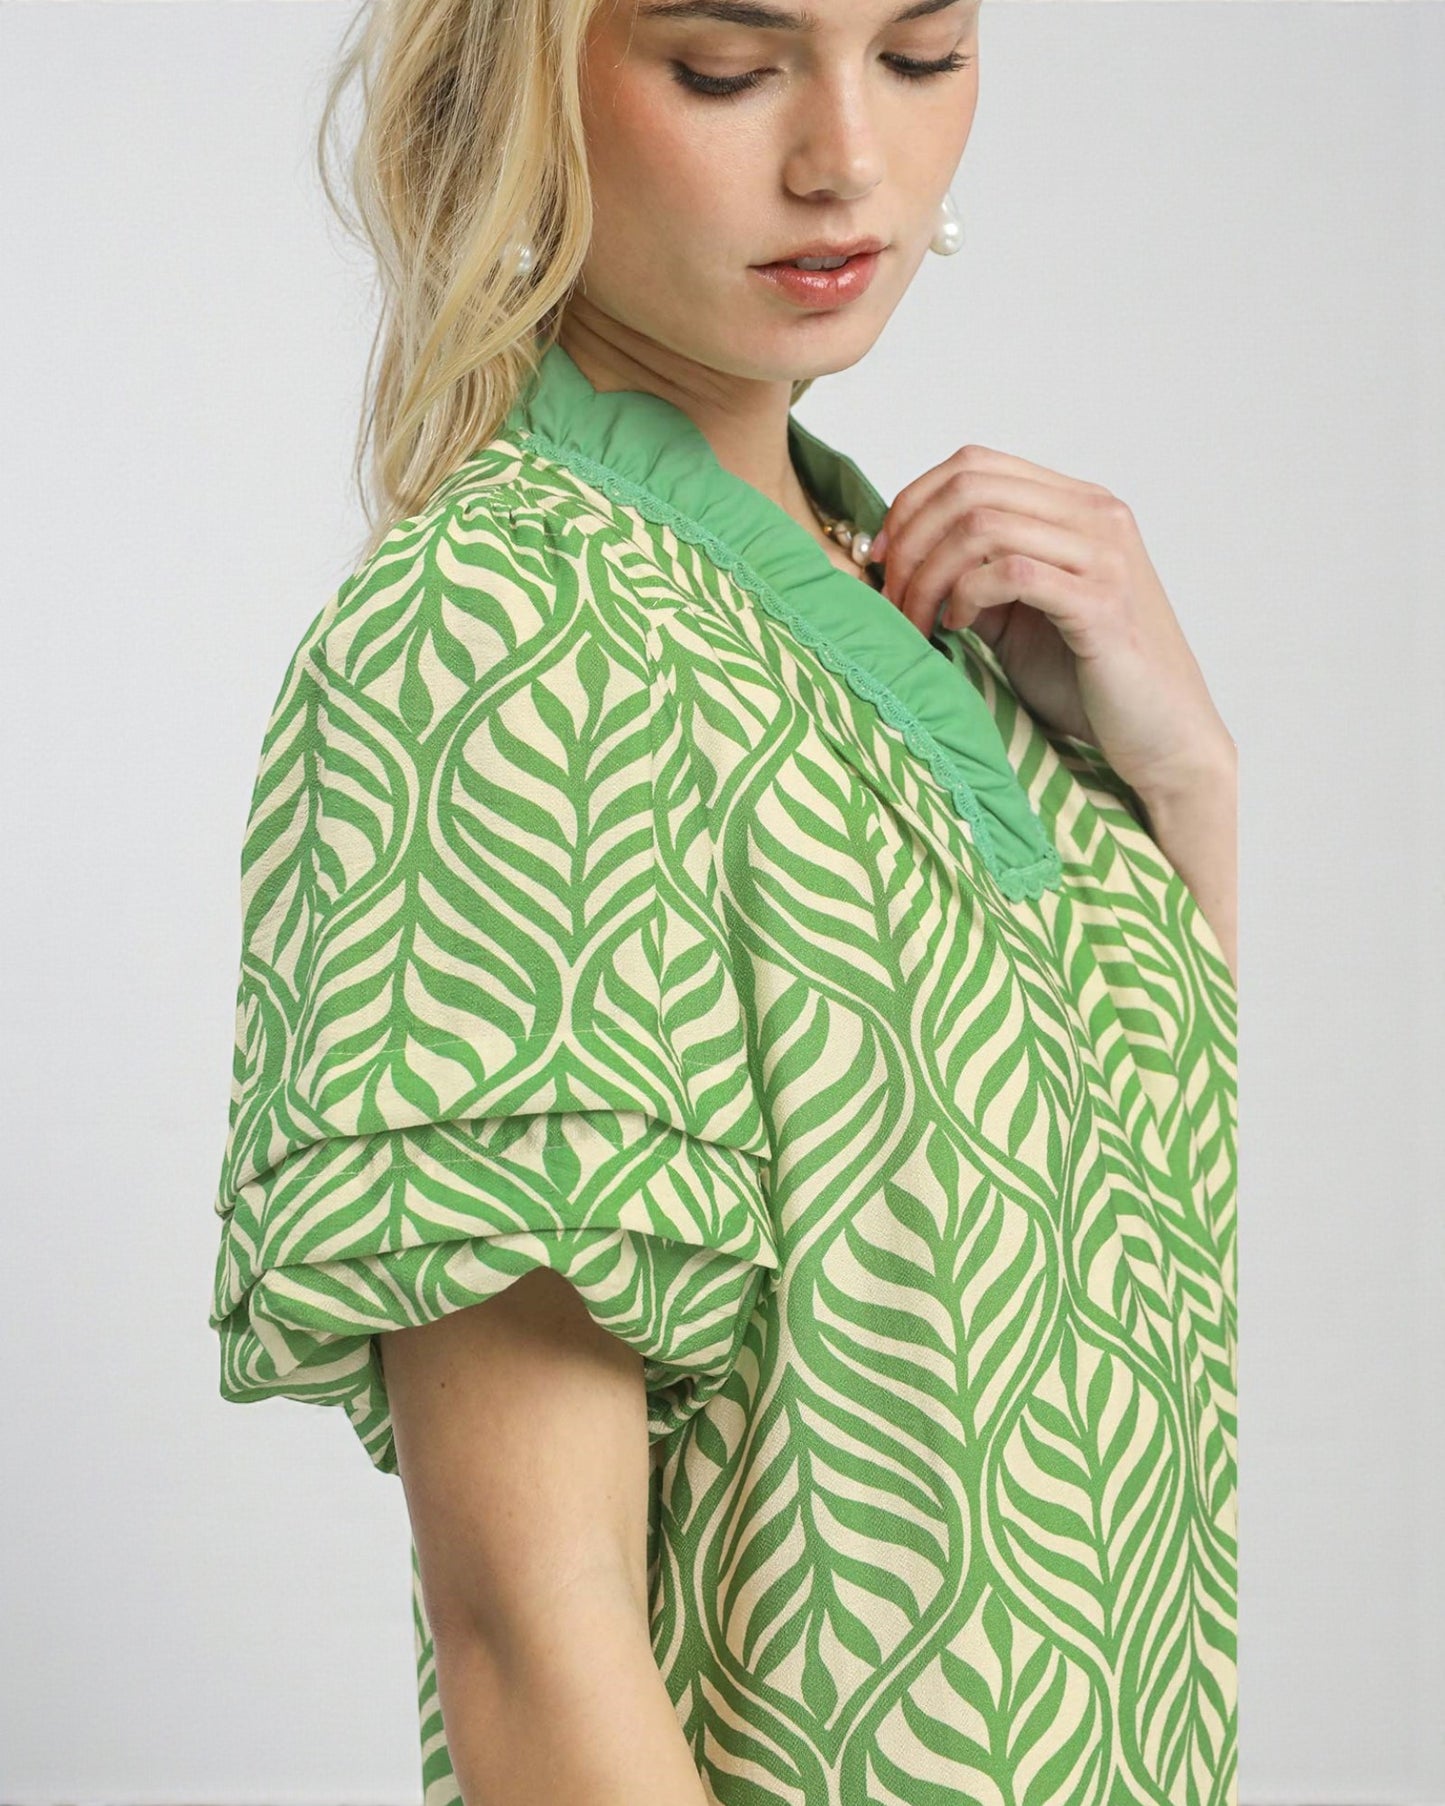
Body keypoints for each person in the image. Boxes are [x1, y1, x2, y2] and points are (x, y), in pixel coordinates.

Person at [207, 0, 1239, 1797]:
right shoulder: (508, 642)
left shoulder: (948, 623)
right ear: (525, 86)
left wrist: (1193, 781)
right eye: (726, 70)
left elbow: (1150, 1308)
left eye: (919, 56)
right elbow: (534, 1628)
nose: (848, 162)